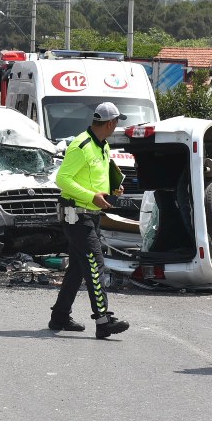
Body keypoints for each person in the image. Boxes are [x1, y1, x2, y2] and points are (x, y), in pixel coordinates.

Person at [50, 102, 131, 338]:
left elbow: (94, 178)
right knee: (96, 264)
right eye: (116, 123)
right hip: (76, 216)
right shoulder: (81, 145)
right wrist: (91, 196)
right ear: (110, 123)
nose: (116, 127)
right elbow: (62, 179)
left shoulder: (102, 146)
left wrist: (112, 188)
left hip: (90, 215)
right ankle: (103, 320)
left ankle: (59, 317)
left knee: (77, 269)